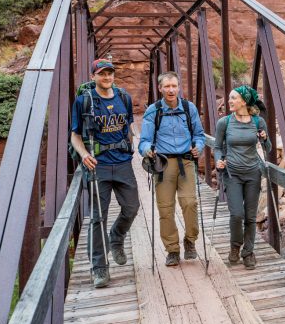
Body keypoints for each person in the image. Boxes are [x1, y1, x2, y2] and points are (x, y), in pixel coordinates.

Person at [70, 58, 139, 289]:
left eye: (110, 73)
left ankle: (117, 237)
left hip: (123, 163)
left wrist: (137, 150)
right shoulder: (83, 101)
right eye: (102, 74)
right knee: (98, 217)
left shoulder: (124, 98)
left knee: (131, 208)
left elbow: (128, 127)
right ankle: (99, 268)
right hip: (98, 165)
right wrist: (83, 154)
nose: (107, 77)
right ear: (93, 77)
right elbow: (75, 135)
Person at [138, 71, 205, 267]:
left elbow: (200, 135)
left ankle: (190, 240)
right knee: (165, 209)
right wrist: (147, 150)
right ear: (160, 89)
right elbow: (144, 141)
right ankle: (172, 250)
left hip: (186, 161)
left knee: (190, 203)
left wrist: (198, 147)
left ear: (178, 87)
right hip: (164, 164)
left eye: (174, 86)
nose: (171, 90)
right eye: (166, 86)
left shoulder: (188, 107)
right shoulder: (153, 110)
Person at [214, 85, 271, 270]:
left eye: (233, 98)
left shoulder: (257, 121)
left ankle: (248, 252)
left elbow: (268, 148)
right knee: (237, 214)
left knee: (250, 217)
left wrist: (264, 137)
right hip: (232, 174)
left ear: (244, 101)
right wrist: (218, 161)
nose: (229, 101)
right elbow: (217, 147)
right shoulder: (224, 123)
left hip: (253, 174)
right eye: (229, 98)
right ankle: (235, 246)